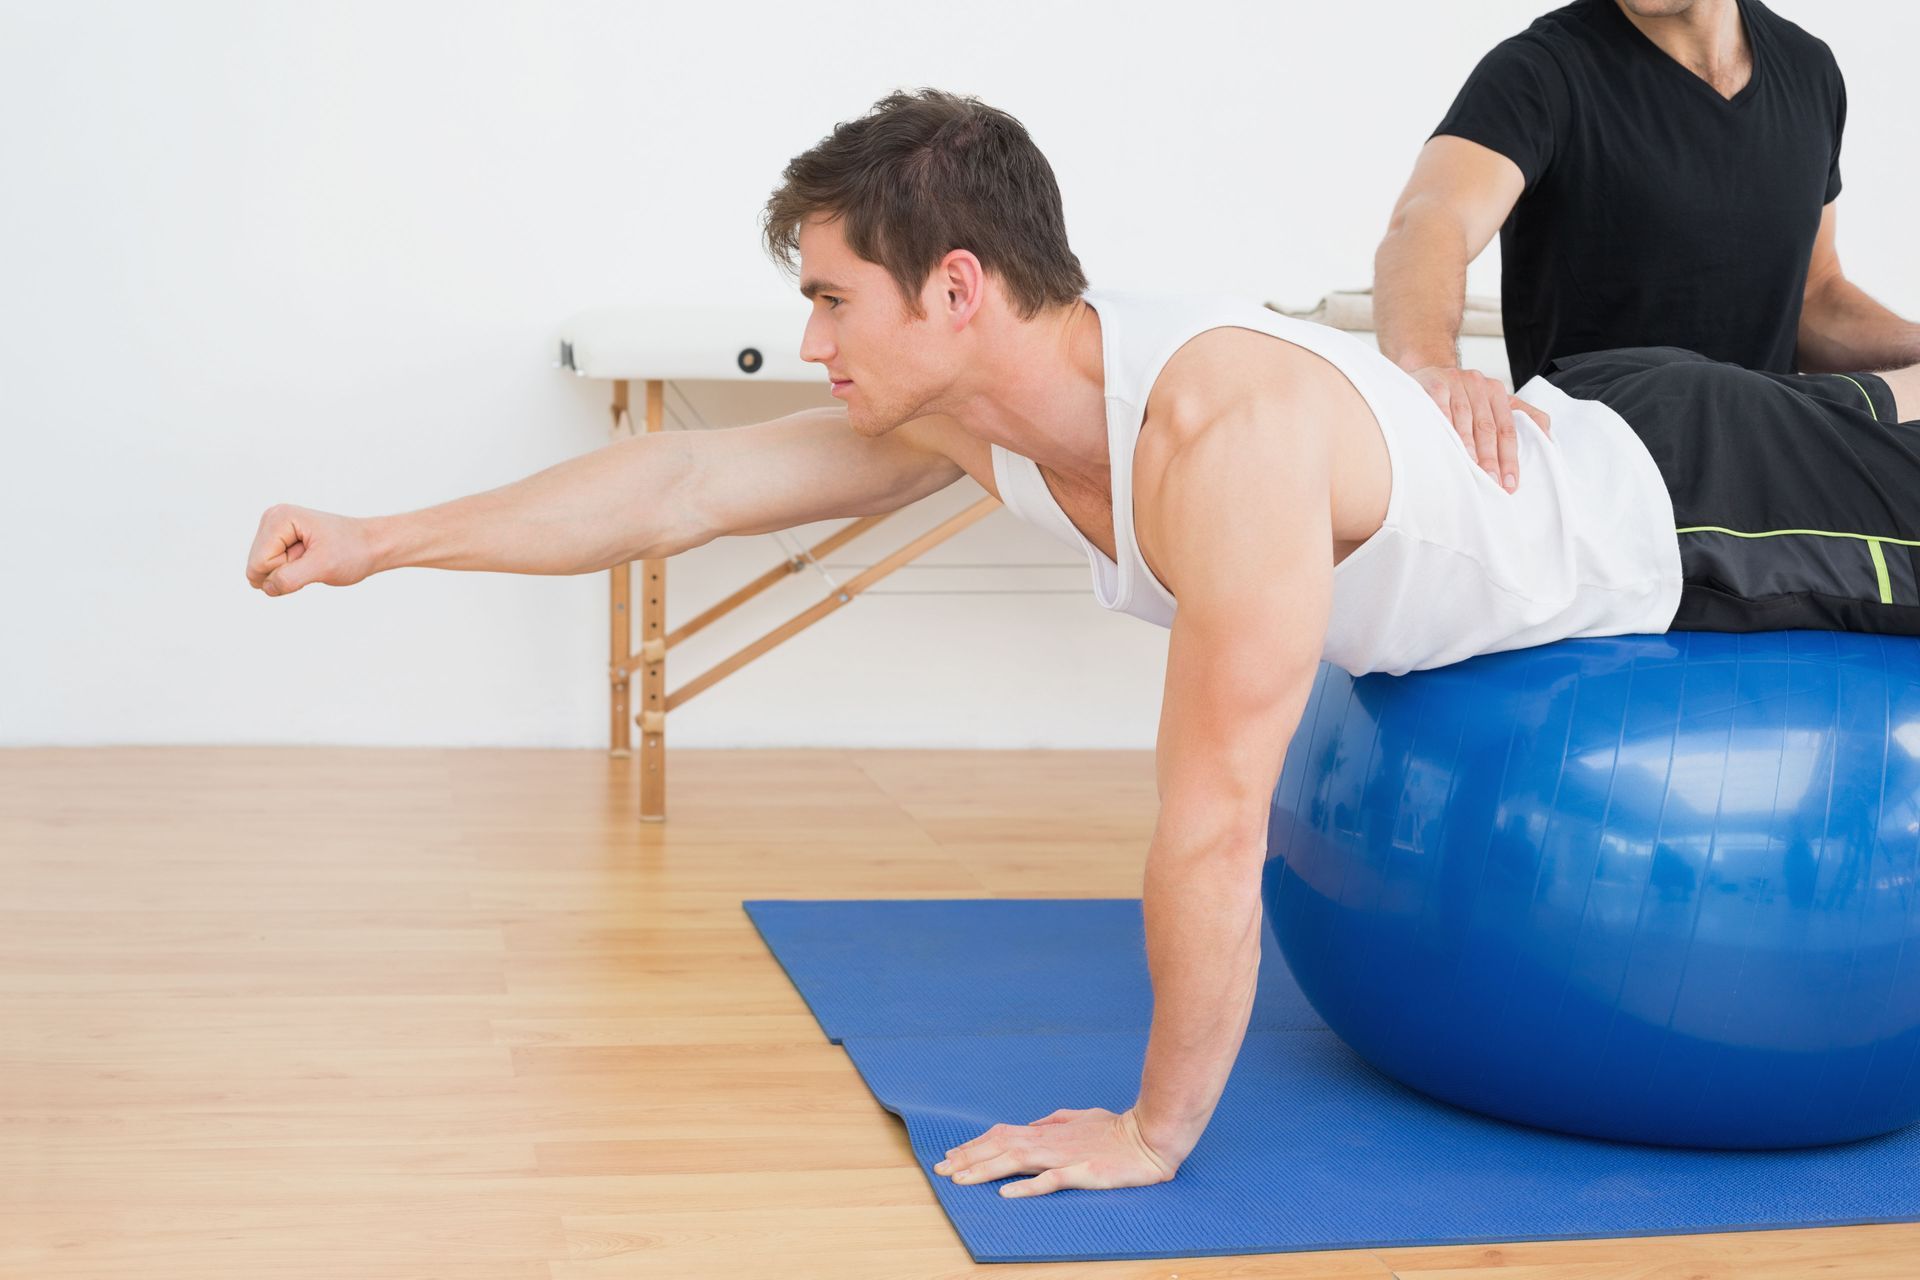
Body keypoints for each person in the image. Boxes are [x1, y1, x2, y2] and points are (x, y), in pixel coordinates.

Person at [245, 89, 1920, 1196]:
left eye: (835, 298)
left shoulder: (1221, 439)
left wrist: (1155, 1130)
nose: (811, 336)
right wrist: (386, 541)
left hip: (1690, 506)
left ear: (957, 288)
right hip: (1599, 428)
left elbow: (1211, 825)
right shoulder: (983, 423)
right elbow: (685, 477)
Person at [1373, 0, 1920, 492]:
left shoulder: (1810, 71)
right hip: (1606, 486)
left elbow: (1814, 296)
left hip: (1764, 486)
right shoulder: (1539, 72)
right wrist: (1431, 369)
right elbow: (1429, 220)